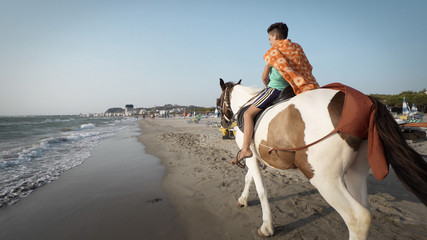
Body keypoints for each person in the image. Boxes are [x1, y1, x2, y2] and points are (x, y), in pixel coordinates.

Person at [232, 22, 319, 165]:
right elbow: (307, 67)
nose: (270, 43)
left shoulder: (274, 52)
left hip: (276, 90)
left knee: (248, 114)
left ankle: (245, 149)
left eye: (270, 39)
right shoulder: (297, 48)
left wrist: (267, 86)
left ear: (275, 36)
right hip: (295, 89)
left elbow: (264, 77)